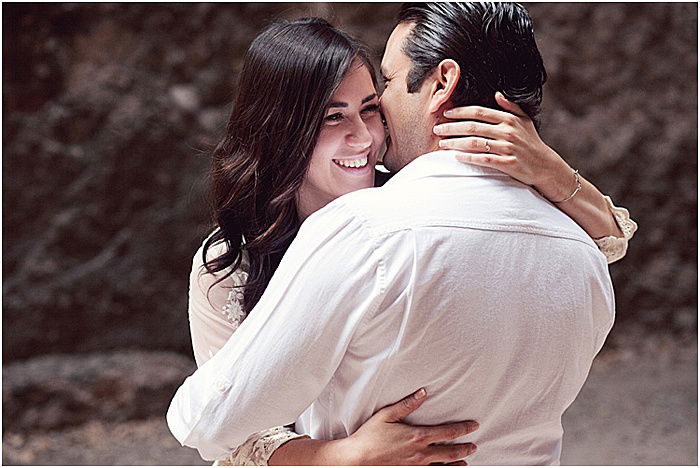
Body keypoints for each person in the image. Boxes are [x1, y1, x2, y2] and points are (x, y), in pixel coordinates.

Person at [169, 5, 637, 466]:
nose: (367, 135)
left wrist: (552, 171)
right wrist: (340, 456)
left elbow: (205, 420)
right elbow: (231, 436)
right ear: (283, 131)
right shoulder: (572, 244)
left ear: (441, 84)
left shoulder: (372, 228)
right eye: (333, 117)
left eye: (377, 99)